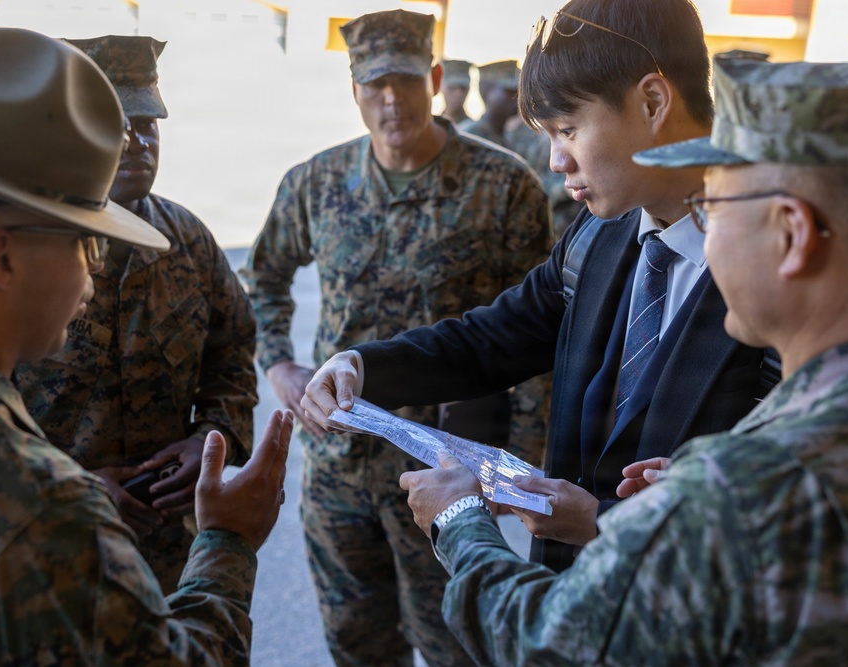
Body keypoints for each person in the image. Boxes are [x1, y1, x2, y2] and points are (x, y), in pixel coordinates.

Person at [0, 28, 292, 663]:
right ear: (1, 256)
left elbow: (230, 345)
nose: (92, 270)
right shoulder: (46, 514)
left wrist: (215, 433)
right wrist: (228, 540)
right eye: (83, 242)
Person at [396, 56, 848, 666]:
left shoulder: (748, 484)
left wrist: (458, 518)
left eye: (714, 206)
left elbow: (546, 640)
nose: (703, 235)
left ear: (791, 234)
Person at [302, 0, 774, 574]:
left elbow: (791, 501)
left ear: (653, 102)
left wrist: (603, 524)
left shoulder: (783, 269)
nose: (555, 160)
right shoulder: (603, 230)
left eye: (568, 129)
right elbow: (501, 333)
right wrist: (364, 365)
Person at [240, 9, 552, 666]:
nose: (390, 100)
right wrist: (281, 366)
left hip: (447, 466)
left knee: (459, 642)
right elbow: (264, 274)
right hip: (339, 468)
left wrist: (516, 469)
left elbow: (540, 337)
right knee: (356, 642)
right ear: (353, 91)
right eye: (373, 85)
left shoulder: (503, 187)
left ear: (434, 79)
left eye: (406, 82)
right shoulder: (315, 183)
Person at [13, 35, 258, 594]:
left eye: (147, 125)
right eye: (114, 125)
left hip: (169, 549)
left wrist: (212, 439)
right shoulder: (21, 248)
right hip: (50, 541)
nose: (136, 143)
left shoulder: (188, 240)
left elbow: (234, 349)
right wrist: (73, 487)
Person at [458, 59, 519, 148]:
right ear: (487, 92)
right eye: (509, 92)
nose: (516, 98)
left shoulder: (504, 135)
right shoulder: (469, 135)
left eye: (518, 92)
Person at [440, 58, 474, 125]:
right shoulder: (431, 127)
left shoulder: (476, 131)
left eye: (463, 89)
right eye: (452, 88)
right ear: (441, 88)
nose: (458, 94)